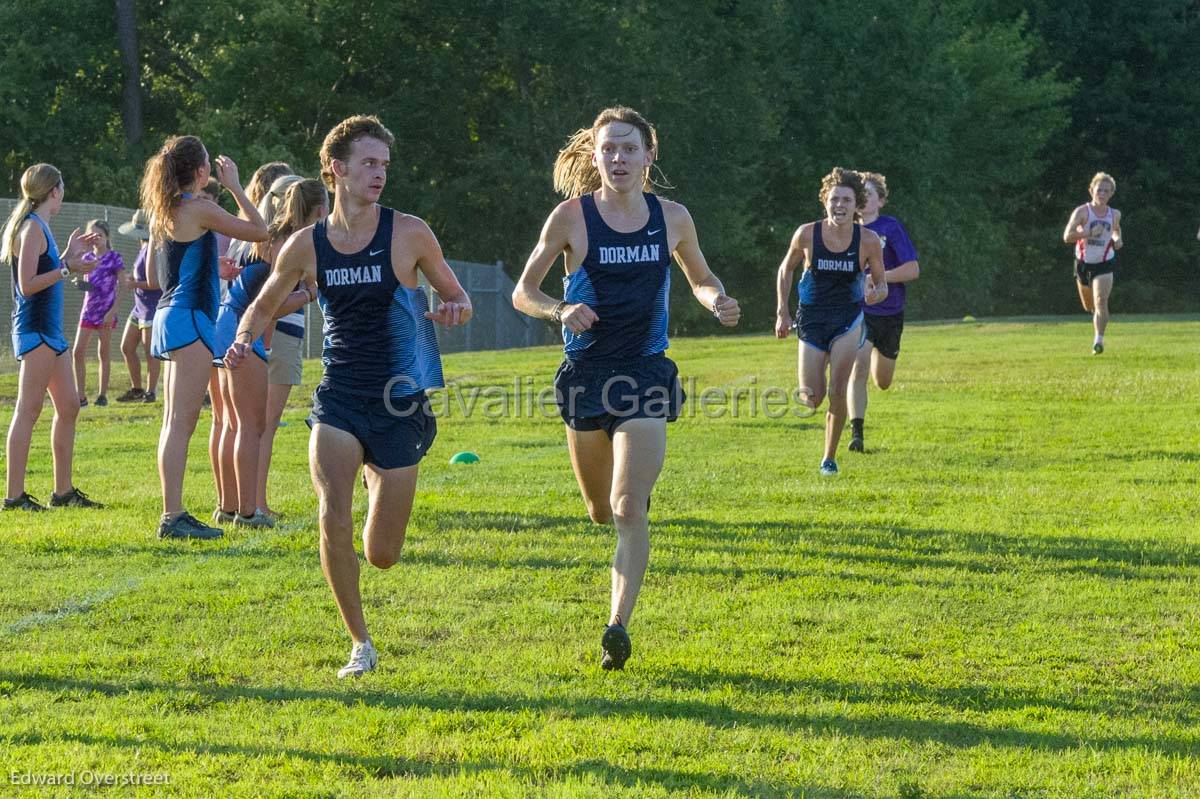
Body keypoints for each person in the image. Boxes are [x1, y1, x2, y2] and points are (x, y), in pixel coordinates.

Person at [225, 115, 471, 677]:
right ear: (336, 170)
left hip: (398, 399)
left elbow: (456, 295)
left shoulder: (410, 232)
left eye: (384, 164)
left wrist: (456, 309)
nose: (379, 173)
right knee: (331, 512)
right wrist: (242, 339)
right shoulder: (307, 245)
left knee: (382, 553)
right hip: (338, 396)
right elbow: (262, 305)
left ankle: (375, 476)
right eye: (369, 163)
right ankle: (359, 642)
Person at [512, 106, 741, 670]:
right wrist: (561, 308)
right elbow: (523, 291)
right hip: (586, 377)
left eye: (629, 148)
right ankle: (627, 493)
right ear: (594, 155)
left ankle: (617, 626)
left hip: (644, 372)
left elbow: (701, 278)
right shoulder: (570, 218)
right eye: (608, 148)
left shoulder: (674, 218)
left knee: (626, 507)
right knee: (598, 510)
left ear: (648, 154)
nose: (618, 157)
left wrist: (717, 300)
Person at [142, 135, 268, 539]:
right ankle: (172, 516)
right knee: (181, 424)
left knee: (170, 423)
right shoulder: (200, 207)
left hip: (166, 315)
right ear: (200, 172)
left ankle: (172, 513)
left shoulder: (163, 210)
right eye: (211, 168)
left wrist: (209, 267)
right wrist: (233, 185)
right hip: (191, 317)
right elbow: (259, 230)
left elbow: (155, 278)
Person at [212, 177, 324, 527]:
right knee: (252, 426)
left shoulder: (267, 234)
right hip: (245, 330)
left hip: (226, 323)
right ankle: (247, 513)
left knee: (231, 423)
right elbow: (271, 307)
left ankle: (228, 506)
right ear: (319, 210)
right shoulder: (287, 244)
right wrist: (309, 294)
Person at [2, 163, 103, 511]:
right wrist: (68, 267)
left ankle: (63, 494)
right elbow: (28, 285)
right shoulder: (31, 228)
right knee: (28, 410)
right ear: (54, 191)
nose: (64, 193)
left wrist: (67, 257)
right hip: (36, 329)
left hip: (51, 333)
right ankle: (14, 497)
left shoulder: (41, 226)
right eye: (62, 187)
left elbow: (46, 271)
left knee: (69, 406)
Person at [774, 167, 887, 476]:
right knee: (811, 398)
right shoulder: (807, 234)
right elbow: (786, 270)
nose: (840, 205)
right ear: (825, 200)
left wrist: (873, 293)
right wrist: (782, 311)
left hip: (847, 320)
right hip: (811, 320)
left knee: (839, 389)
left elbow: (881, 286)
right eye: (835, 199)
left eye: (847, 200)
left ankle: (829, 458)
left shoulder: (868, 240)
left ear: (857, 205)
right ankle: (815, 389)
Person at [846, 172, 919, 453]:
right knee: (859, 369)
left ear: (882, 201)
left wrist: (879, 276)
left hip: (890, 312)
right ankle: (857, 434)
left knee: (883, 382)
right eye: (859, 196)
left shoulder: (891, 228)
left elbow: (913, 270)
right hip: (859, 312)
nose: (863, 201)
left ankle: (882, 357)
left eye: (869, 195)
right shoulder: (846, 230)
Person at [1063, 172, 1122, 354]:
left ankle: (1099, 340)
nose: (1102, 194)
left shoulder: (1114, 214)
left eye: (1106, 191)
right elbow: (1067, 237)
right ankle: (1096, 321)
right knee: (1089, 306)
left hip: (1104, 263)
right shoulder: (1082, 212)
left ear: (1111, 193)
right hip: (1083, 263)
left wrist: (1117, 239)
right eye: (1099, 190)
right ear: (1091, 190)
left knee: (1101, 301)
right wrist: (1088, 233)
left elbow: (1116, 230)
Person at [72, 220, 125, 407]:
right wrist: (79, 284)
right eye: (92, 236)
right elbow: (90, 287)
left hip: (106, 313)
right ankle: (80, 395)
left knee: (103, 352)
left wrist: (112, 312)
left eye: (99, 235)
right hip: (88, 312)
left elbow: (123, 286)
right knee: (78, 352)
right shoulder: (86, 258)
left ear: (107, 236)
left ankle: (102, 395)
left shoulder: (114, 258)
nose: (96, 239)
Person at [116, 210, 162, 403]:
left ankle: (151, 392)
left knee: (150, 352)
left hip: (152, 307)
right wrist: (132, 280)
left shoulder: (156, 248)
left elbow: (158, 283)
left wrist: (135, 284)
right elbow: (141, 276)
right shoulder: (143, 246)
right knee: (126, 347)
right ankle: (136, 389)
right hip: (138, 307)